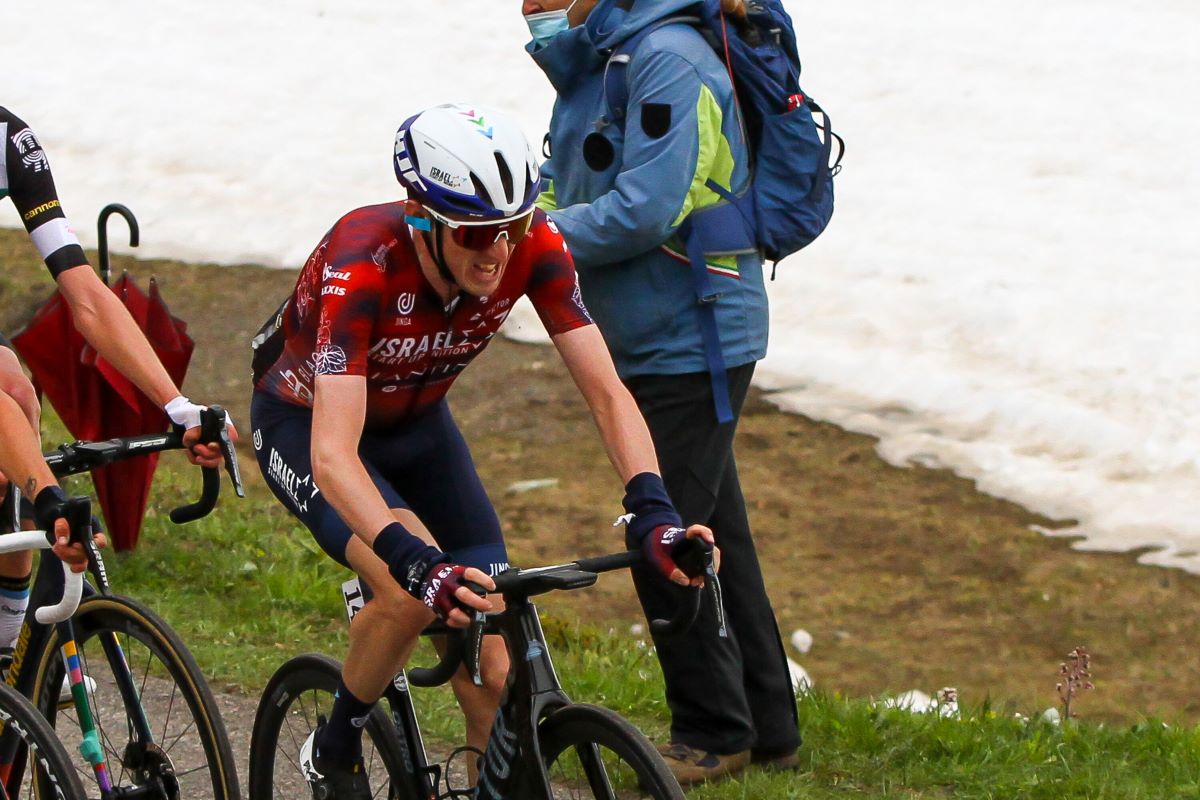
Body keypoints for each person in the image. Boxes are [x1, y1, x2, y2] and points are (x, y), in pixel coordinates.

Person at [248, 102, 715, 799]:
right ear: (422, 219)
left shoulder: (536, 248)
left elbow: (607, 394)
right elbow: (334, 457)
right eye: (473, 233)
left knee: (496, 677)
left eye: (512, 226)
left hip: (419, 430)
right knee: (408, 597)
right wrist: (409, 559)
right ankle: (336, 740)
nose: (496, 251)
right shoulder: (362, 263)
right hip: (308, 426)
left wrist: (653, 508)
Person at [521, 0, 801, 784]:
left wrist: (528, 239)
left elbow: (650, 207)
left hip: (694, 336)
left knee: (664, 536)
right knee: (720, 537)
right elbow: (573, 175)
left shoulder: (667, 61)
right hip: (653, 333)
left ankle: (712, 731)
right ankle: (768, 727)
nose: (530, 1)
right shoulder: (600, 60)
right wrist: (515, 213)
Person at [0, 106, 232, 637]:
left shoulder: (9, 140)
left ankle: (6, 652)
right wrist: (49, 494)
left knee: (16, 393)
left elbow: (85, 293)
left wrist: (176, 405)